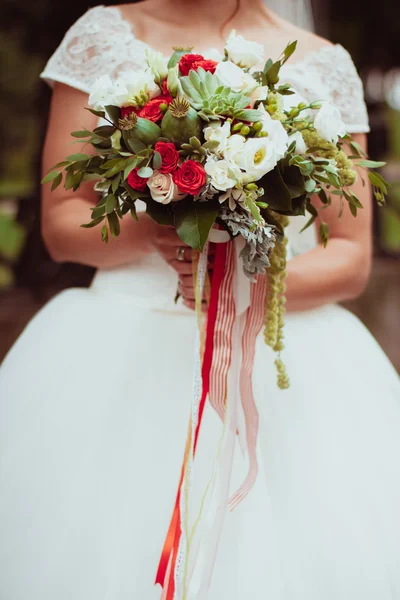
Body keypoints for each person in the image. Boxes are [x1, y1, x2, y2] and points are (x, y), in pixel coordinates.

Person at [1, 1, 400, 598]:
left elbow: (350, 253)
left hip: (281, 353)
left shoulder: (321, 64)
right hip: (117, 347)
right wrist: (164, 224)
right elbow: (62, 224)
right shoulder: (105, 35)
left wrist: (251, 288)